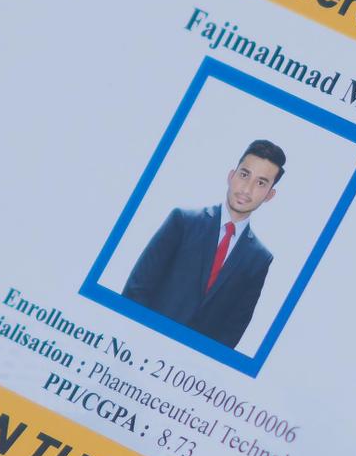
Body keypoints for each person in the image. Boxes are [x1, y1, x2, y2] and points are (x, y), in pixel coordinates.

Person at [122, 140, 284, 350]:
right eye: (244, 175)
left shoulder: (260, 259)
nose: (247, 189)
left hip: (186, 364)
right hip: (138, 344)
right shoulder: (183, 222)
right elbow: (137, 288)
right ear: (231, 176)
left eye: (261, 183)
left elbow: (234, 328)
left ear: (270, 195)